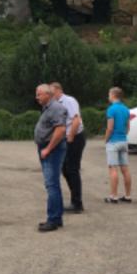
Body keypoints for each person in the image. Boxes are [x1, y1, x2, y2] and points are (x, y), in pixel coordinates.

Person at [34, 84, 69, 232]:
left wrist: (48, 148)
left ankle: (53, 220)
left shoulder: (56, 108)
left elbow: (60, 129)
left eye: (39, 94)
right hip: (47, 149)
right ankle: (56, 218)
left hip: (52, 150)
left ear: (48, 94)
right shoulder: (49, 108)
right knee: (52, 184)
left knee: (51, 185)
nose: (36, 97)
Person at [51, 82, 85, 214]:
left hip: (75, 137)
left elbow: (76, 120)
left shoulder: (69, 101)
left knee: (72, 169)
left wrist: (70, 138)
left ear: (59, 90)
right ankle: (75, 200)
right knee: (66, 169)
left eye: (52, 93)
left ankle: (77, 203)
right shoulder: (56, 103)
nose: (51, 95)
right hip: (67, 138)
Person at [104, 87, 132, 204]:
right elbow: (128, 127)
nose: (108, 96)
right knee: (125, 169)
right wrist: (123, 135)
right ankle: (127, 195)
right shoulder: (126, 109)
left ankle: (113, 196)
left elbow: (110, 128)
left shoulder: (111, 109)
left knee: (113, 168)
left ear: (114, 95)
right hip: (123, 141)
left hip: (113, 141)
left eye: (109, 94)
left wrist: (106, 139)